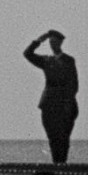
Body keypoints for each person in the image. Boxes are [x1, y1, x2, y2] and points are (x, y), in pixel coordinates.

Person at [23, 29, 78, 164]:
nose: (52, 45)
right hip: (49, 104)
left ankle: (62, 165)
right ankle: (56, 165)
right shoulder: (47, 61)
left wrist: (68, 104)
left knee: (63, 138)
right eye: (50, 42)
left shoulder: (68, 61)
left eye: (55, 42)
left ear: (60, 43)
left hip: (65, 105)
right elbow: (27, 54)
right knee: (53, 138)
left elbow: (74, 85)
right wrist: (39, 40)